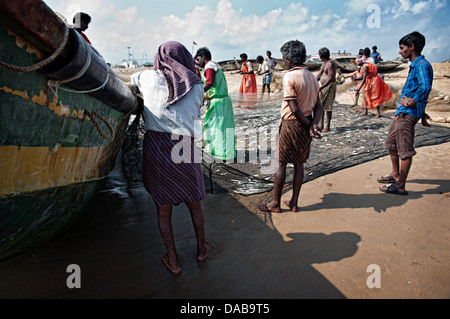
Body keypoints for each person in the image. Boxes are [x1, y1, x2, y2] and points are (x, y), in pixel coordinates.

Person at [131, 41, 211, 274]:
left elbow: (132, 83)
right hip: (184, 146)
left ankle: (173, 261)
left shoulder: (147, 78)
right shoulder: (197, 86)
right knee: (194, 204)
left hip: (157, 146)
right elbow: (193, 113)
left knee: (163, 210)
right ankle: (201, 249)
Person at [259, 40, 323, 213]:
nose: (284, 61)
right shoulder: (312, 77)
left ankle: (275, 204)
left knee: (281, 164)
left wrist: (309, 124)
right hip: (306, 124)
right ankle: (294, 202)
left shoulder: (290, 76)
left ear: (289, 59)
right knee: (299, 164)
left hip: (291, 125)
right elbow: (319, 108)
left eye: (284, 58)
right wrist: (313, 125)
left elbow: (294, 108)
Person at [378, 31, 433, 195]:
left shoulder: (422, 65)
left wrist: (413, 102)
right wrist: (422, 112)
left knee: (405, 150)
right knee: (390, 144)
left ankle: (400, 185)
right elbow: (420, 88)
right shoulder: (415, 65)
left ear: (412, 47)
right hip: (402, 112)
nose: (399, 51)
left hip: (408, 113)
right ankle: (395, 175)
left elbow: (425, 87)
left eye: (402, 48)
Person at [195, 47, 236, 161]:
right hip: (222, 101)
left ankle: (220, 154)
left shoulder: (209, 67)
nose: (198, 62)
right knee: (221, 127)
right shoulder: (213, 66)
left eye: (198, 59)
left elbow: (209, 83)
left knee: (215, 127)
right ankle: (224, 153)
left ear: (203, 57)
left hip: (219, 103)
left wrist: (197, 94)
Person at [355, 47, 393, 118]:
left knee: (374, 96)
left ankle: (377, 113)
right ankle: (368, 111)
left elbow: (364, 77)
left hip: (371, 81)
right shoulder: (371, 61)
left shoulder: (366, 65)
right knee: (371, 95)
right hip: (375, 80)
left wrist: (359, 88)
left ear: (364, 55)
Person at [316, 47, 337, 133]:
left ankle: (327, 126)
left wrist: (320, 87)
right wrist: (313, 83)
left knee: (328, 107)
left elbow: (331, 78)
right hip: (323, 86)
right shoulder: (324, 63)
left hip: (329, 86)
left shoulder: (331, 63)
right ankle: (321, 125)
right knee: (321, 106)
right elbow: (319, 74)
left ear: (321, 56)